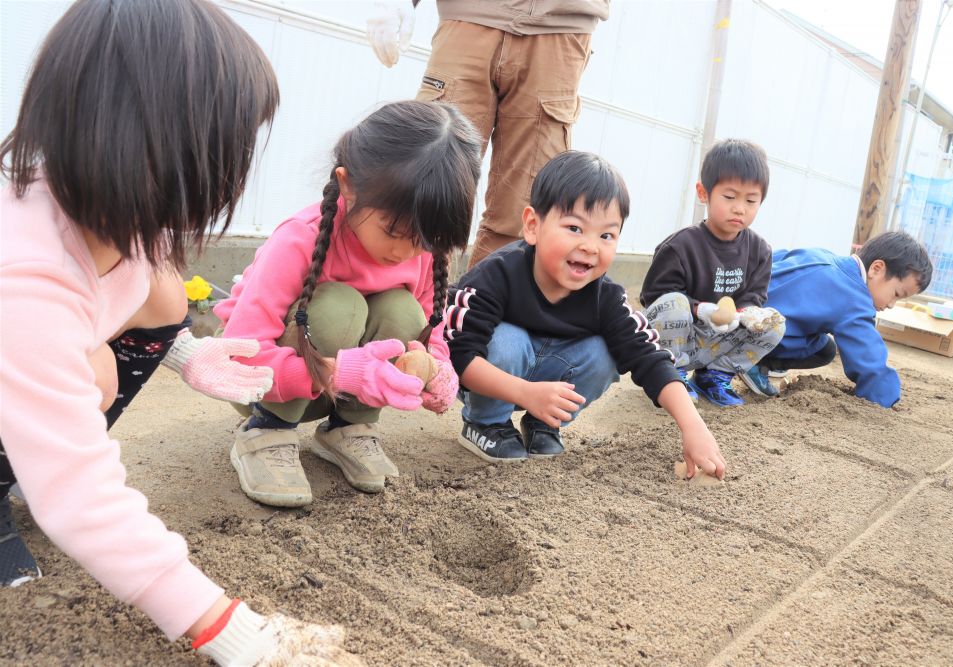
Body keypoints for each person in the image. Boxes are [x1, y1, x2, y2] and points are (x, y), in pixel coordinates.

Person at [0, 1, 361, 664]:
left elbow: (149, 294)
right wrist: (236, 633)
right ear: (150, 145)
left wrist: (185, 351)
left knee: (150, 307)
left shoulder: (111, 211)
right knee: (77, 403)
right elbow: (82, 496)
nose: (229, 172)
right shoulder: (23, 274)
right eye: (225, 148)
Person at [215, 100, 481, 505]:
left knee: (403, 311)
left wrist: (438, 368)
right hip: (257, 381)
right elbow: (237, 356)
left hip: (340, 385)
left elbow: (432, 326)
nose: (405, 252)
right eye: (392, 230)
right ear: (348, 184)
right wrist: (342, 374)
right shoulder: (299, 238)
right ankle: (266, 431)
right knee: (341, 307)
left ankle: (349, 426)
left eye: (423, 240)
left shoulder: (424, 252)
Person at [444, 150, 726, 479]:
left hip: (547, 378)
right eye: (575, 228)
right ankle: (486, 423)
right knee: (508, 340)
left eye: (606, 235)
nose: (591, 246)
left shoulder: (606, 298)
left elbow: (650, 357)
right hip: (494, 376)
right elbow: (459, 353)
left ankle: (543, 424)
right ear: (533, 226)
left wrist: (693, 426)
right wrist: (524, 393)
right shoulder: (497, 275)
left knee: (606, 351)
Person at [366, 0, 608, 267]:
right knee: (428, 178)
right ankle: (410, 299)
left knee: (522, 208)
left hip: (560, 25)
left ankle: (483, 305)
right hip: (468, 15)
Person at [639, 139, 785, 407]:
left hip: (720, 341)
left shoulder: (760, 250)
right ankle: (673, 375)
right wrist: (700, 309)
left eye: (751, 200)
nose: (740, 208)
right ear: (703, 192)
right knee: (675, 302)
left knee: (775, 321)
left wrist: (746, 313)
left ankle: (715, 376)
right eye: (729, 197)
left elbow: (755, 296)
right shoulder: (680, 246)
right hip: (679, 338)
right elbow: (654, 298)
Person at [745, 231, 932, 408]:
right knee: (824, 351)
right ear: (877, 268)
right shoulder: (854, 299)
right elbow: (868, 359)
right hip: (751, 335)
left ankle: (752, 358)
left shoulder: (821, 255)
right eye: (896, 294)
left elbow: (773, 259)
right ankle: (754, 362)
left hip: (734, 312)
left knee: (821, 341)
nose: (892, 304)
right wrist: (884, 398)